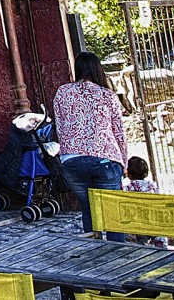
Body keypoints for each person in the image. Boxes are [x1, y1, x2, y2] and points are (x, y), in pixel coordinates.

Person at [53, 51, 128, 242]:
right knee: (113, 214)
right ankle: (117, 255)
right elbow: (118, 131)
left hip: (72, 160)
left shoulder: (62, 92)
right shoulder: (107, 95)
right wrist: (124, 162)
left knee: (88, 210)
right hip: (105, 158)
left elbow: (60, 128)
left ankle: (94, 250)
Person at [123, 156, 167, 247]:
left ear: (129, 174)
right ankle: (161, 245)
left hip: (139, 223)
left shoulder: (127, 188)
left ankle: (144, 246)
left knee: (142, 240)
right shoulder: (152, 186)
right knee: (159, 237)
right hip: (155, 221)